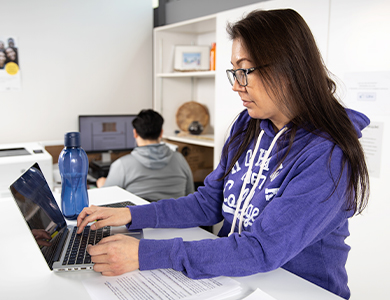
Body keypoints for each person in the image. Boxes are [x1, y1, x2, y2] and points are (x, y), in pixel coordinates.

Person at [77, 9, 370, 300]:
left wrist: (146, 253)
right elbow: (209, 202)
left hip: (298, 290)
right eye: (234, 71)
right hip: (237, 278)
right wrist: (130, 214)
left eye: (244, 71)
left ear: (288, 68)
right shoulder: (249, 125)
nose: (235, 85)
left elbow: (262, 249)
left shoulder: (329, 155)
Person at [96, 109, 194, 201]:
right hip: (174, 218)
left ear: (135, 133)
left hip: (141, 218)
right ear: (161, 133)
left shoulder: (122, 165)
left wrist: (102, 186)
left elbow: (106, 200)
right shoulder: (180, 159)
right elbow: (191, 196)